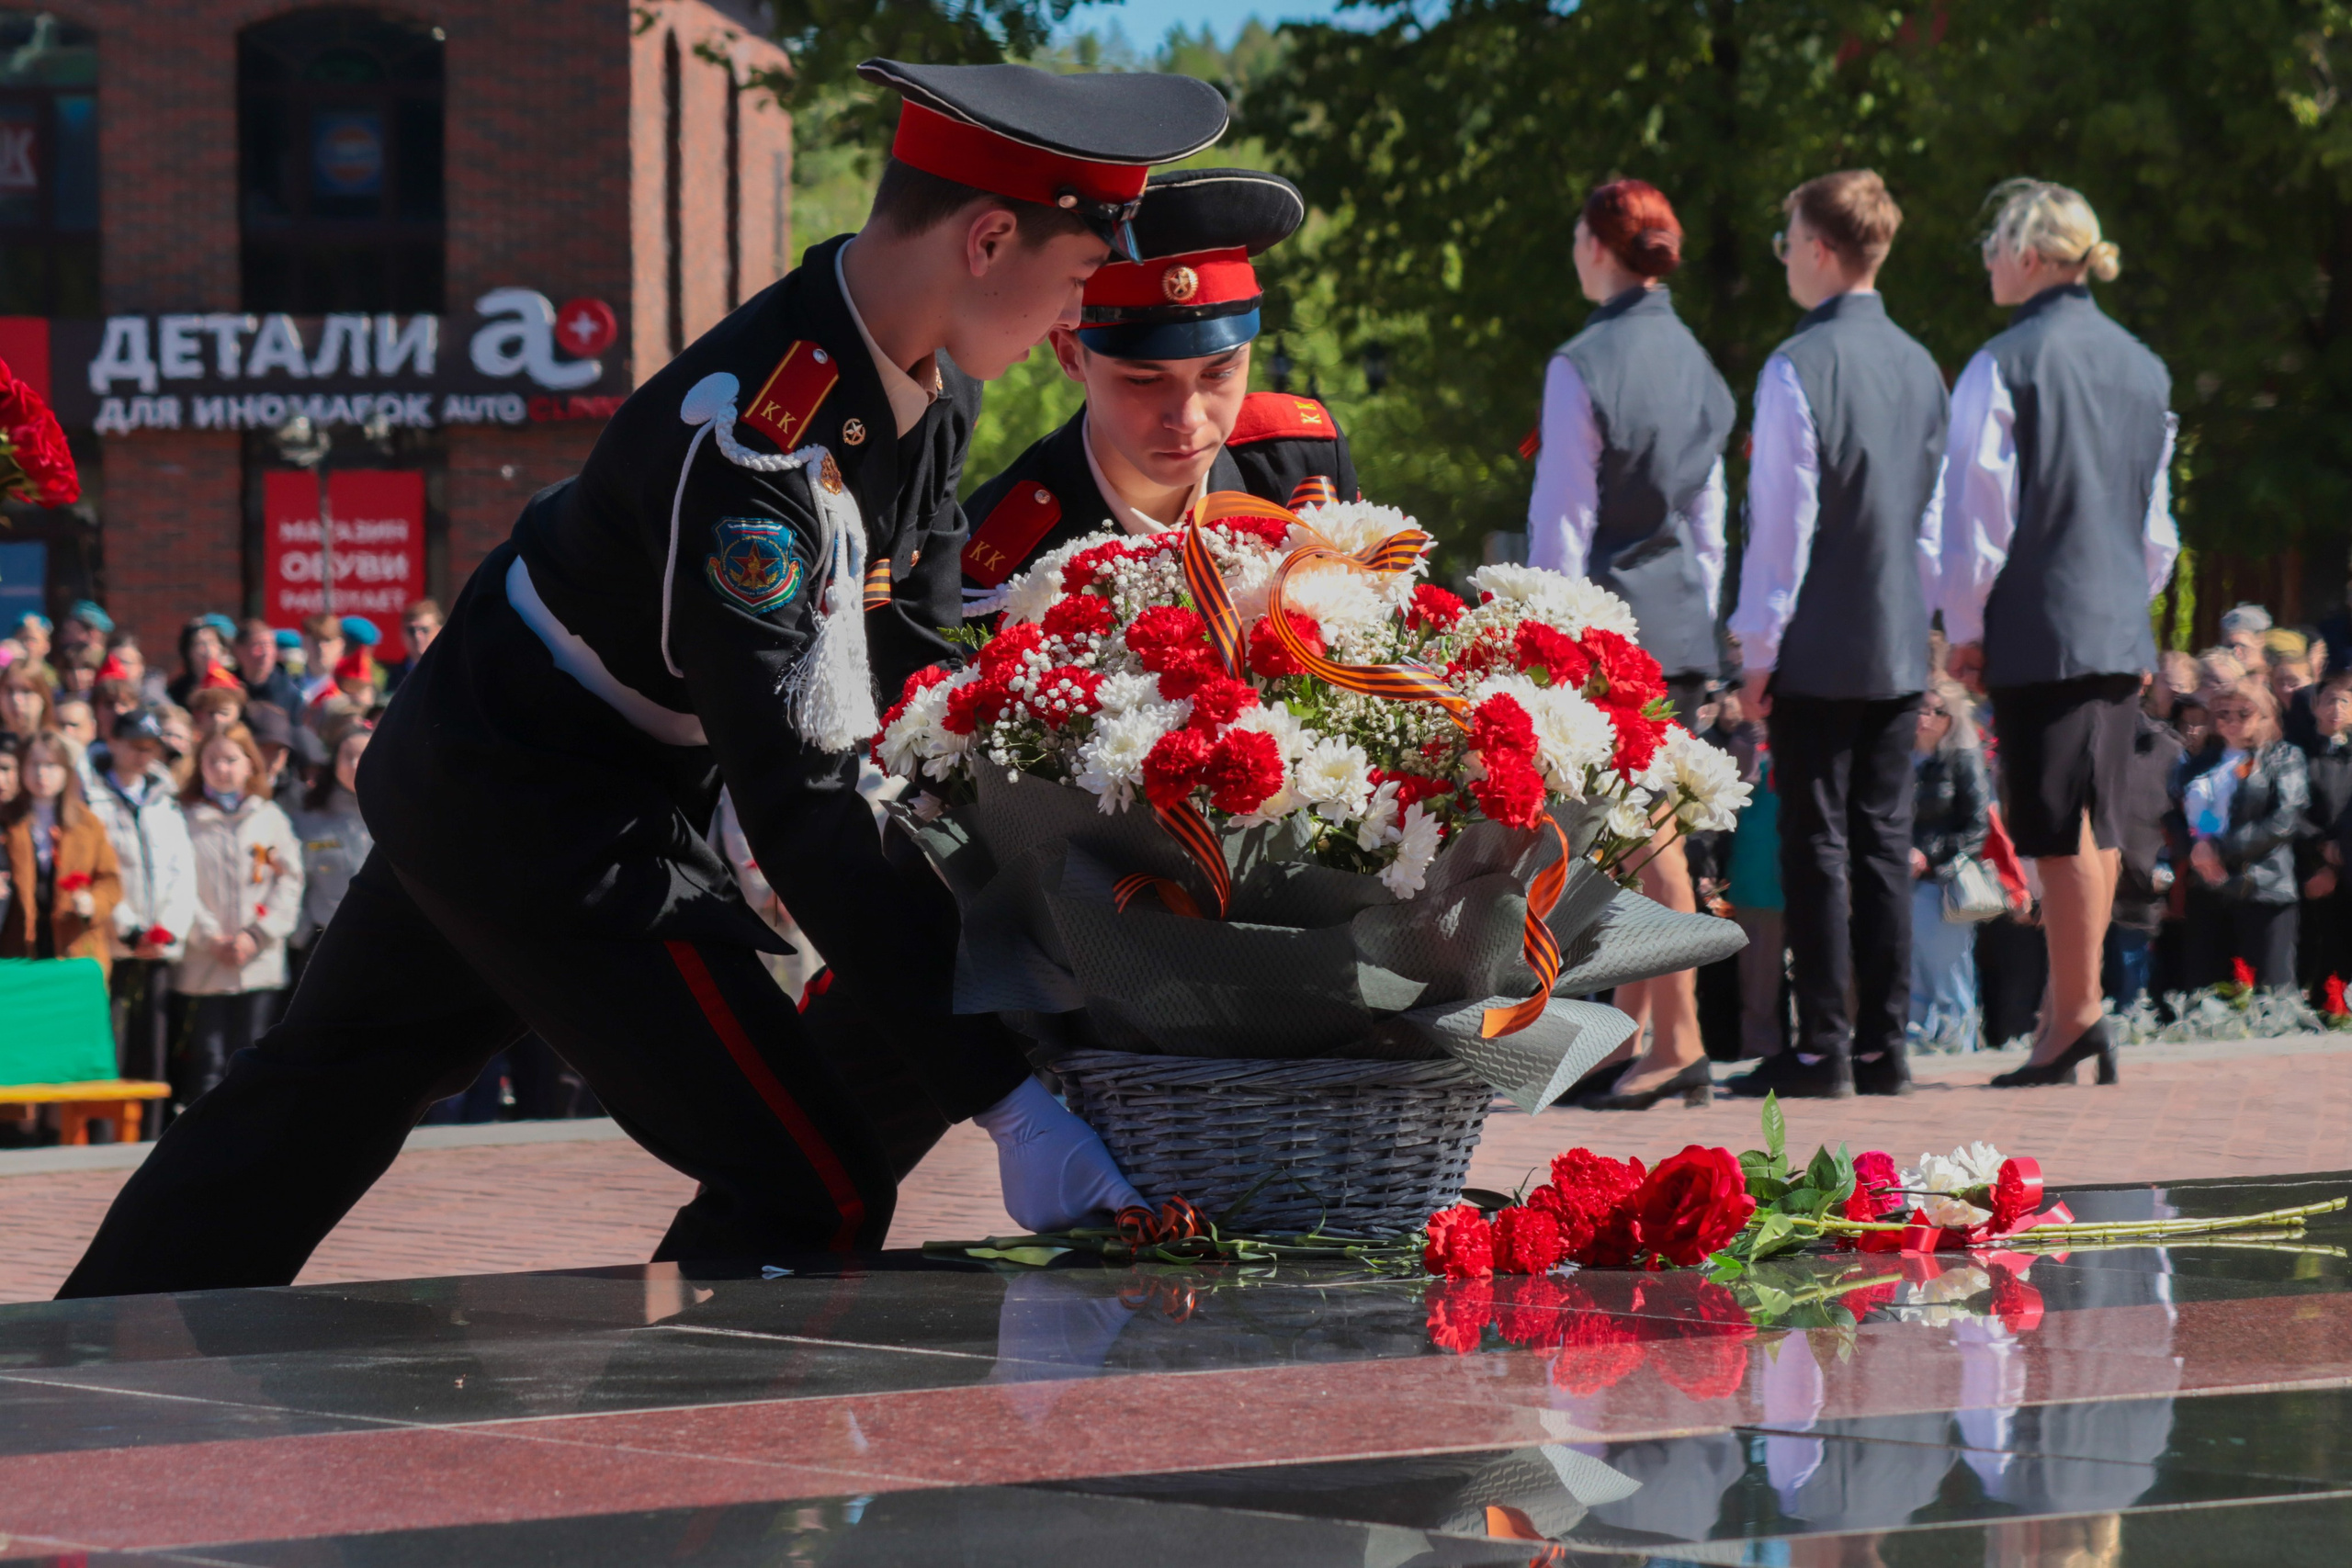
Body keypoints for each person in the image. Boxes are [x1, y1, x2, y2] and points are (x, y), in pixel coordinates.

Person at [60, 59, 1232, 1299]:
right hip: (540, 799)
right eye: (1072, 284)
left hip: (525, 754)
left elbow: (910, 654)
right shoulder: (760, 446)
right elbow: (808, 794)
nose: (1071, 325)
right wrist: (1005, 1097)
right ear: (989, 238)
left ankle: (77, 1368)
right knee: (814, 1181)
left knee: (318, 1088)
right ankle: (673, 1478)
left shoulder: (925, 390)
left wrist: (1064, 759)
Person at [1940, 179, 2177, 1089]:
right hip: (2115, 620)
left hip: (2041, 619)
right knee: (2097, 818)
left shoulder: (2005, 361)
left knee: (2053, 820)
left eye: (1997, 244)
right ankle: (2070, 1012)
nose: (1989, 260)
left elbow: (1977, 514)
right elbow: (2156, 524)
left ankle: (2071, 1018)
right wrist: (2129, 597)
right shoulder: (2143, 365)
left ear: (2032, 255)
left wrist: (1964, 627)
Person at [1724, 169, 1949, 1099]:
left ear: (1819, 248)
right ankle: (1883, 1045)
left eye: (1787, 243)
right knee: (1880, 840)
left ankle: (1821, 1042)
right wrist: (1929, 627)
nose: (1782, 261)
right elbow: (1933, 524)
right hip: (1897, 636)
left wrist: (1757, 645)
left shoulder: (1796, 365)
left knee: (1813, 845)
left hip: (1816, 641)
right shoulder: (1923, 365)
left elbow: (1784, 522)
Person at [1527, 177, 1734, 1111]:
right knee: (1654, 829)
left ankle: (1678, 1040)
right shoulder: (1700, 361)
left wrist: (1546, 630)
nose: (1571, 250)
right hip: (1682, 610)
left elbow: (1563, 520)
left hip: (1608, 618)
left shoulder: (1583, 361)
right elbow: (1710, 516)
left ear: (1601, 249)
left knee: (1643, 837)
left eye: (1575, 236)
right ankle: (1642, 1037)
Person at [960, 167, 1354, 595]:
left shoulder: (1298, 463)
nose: (1188, 419)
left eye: (1218, 373)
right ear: (1071, 356)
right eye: (1144, 381)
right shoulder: (1001, 554)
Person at [170, 724, 303, 1108]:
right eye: (212, 760)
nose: (222, 768)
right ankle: (204, 1146)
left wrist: (257, 935)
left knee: (253, 1055)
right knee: (208, 1059)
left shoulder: (270, 816)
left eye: (231, 759)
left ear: (250, 765)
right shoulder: (185, 817)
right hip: (205, 962)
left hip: (258, 960)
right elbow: (179, 884)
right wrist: (209, 936)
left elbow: (290, 881)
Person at [87, 707, 198, 1090]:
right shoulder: (92, 799)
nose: (143, 755)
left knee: (153, 1054)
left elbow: (183, 870)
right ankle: (104, 1139)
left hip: (159, 944)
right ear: (113, 743)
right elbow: (99, 871)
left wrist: (167, 929)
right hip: (116, 945)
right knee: (112, 1046)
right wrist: (130, 929)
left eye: (151, 748)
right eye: (135, 745)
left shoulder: (164, 799)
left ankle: (148, 1136)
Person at [2173, 681, 2307, 990]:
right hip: (2208, 887)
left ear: (2265, 715)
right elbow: (2188, 814)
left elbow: (2285, 820)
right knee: (2206, 990)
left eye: (2243, 713)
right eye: (2223, 714)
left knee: (2271, 990)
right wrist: (2198, 845)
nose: (2232, 721)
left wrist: (2218, 849)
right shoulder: (2202, 761)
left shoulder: (2283, 757)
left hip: (2264, 884)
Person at [1906, 682, 1993, 1050]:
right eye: (1920, 709)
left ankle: (1958, 1054)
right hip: (1899, 881)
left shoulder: (1962, 757)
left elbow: (1977, 827)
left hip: (1943, 885)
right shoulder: (1894, 759)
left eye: (1936, 711)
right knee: (1910, 977)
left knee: (1949, 977)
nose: (1924, 718)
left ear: (1950, 719)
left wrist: (1929, 855)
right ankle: (1916, 1051)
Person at [0, 730, 122, 977]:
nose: (42, 774)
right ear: (22, 769)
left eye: (51, 765)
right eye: (34, 765)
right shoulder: (7, 819)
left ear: (67, 771)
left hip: (73, 945)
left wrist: (93, 902)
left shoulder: (86, 823)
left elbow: (110, 881)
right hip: (19, 947)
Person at [2107, 682, 2186, 1010]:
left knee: (2131, 1002)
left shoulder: (2164, 748)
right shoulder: (2074, 744)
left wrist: (2167, 871)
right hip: (2081, 893)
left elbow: (2182, 818)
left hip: (2139, 891)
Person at [2299, 670, 2352, 1000]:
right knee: (2317, 940)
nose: (2336, 708)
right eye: (2329, 700)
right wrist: (2320, 850)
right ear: (2316, 705)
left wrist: (2340, 854)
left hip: (2347, 863)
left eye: (2345, 701)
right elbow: (2292, 811)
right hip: (2309, 865)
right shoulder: (2298, 755)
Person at [234, 618, 305, 718]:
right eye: (257, 645)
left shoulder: (288, 690)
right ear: (239, 651)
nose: (265, 653)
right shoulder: (228, 685)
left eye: (268, 645)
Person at [166, 614, 237, 707]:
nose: (208, 650)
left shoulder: (234, 681)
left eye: (212, 642)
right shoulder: (178, 690)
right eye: (200, 644)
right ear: (189, 652)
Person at [383, 600, 443, 692]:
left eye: (424, 630)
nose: (417, 636)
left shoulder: (451, 671)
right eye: (411, 630)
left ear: (439, 632)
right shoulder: (394, 675)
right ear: (402, 634)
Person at [1, 665, 51, 740]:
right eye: (10, 691)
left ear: (43, 697)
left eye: (26, 691)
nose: (16, 699)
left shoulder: (59, 745)